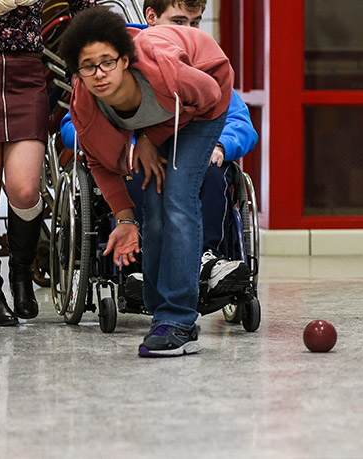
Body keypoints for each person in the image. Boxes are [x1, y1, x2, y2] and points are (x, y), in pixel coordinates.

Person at [59, 7, 233, 357]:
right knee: (151, 210)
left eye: (107, 62)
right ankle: (159, 309)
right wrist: (124, 219)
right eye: (87, 66)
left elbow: (211, 93)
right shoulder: (85, 103)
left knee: (178, 199)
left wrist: (150, 138)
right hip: (166, 115)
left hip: (202, 100)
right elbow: (98, 161)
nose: (99, 74)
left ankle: (180, 319)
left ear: (125, 59)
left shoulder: (162, 67)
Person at [0, 0, 95, 326]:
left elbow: (84, 7)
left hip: (26, 73)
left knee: (25, 188)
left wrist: (87, 62)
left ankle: (21, 274)